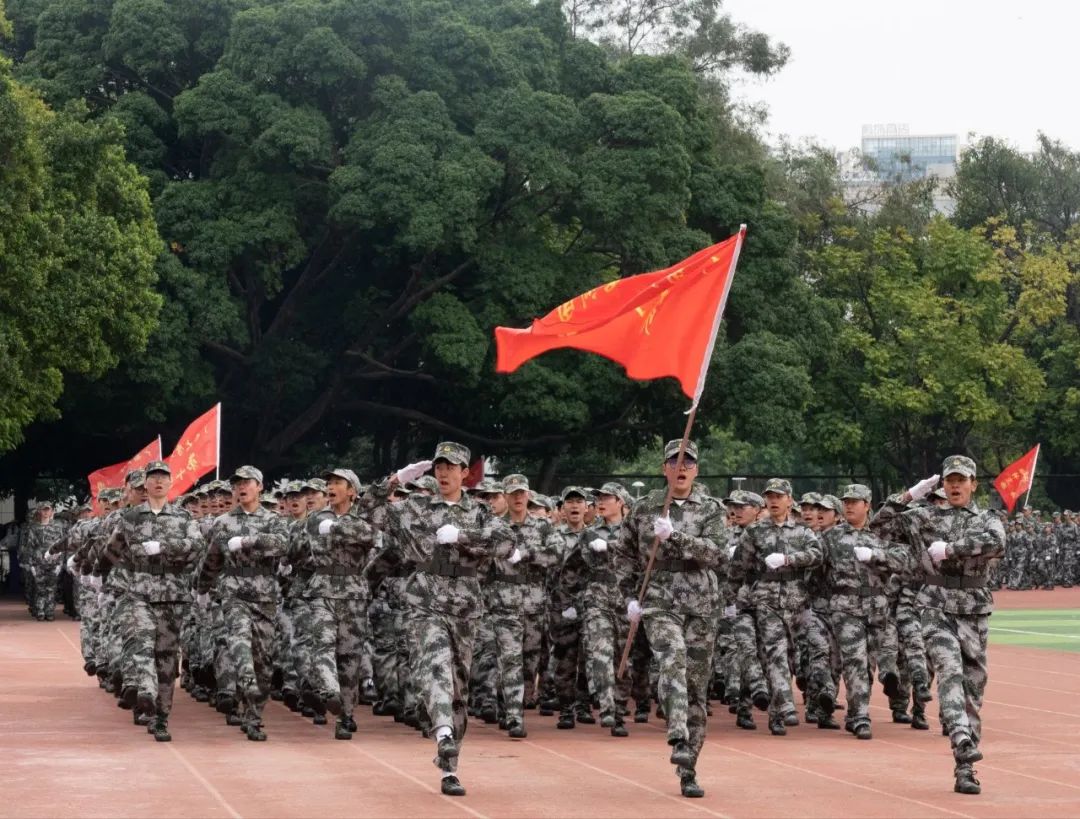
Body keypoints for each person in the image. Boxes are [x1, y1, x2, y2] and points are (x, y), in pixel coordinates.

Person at [368, 442, 515, 797]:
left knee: (458, 687)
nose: (444, 472)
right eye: (439, 466)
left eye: (451, 467)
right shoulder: (416, 507)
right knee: (435, 666)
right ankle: (444, 731)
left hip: (464, 606)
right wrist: (393, 481)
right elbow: (368, 512)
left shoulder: (478, 512)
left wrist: (462, 536)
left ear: (465, 473)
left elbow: (507, 543)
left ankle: (449, 766)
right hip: (425, 601)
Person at [871, 456, 1005, 795]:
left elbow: (996, 542)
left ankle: (965, 768)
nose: (955, 485)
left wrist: (952, 549)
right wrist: (909, 495)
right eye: (950, 480)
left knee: (974, 688)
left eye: (962, 480)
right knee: (949, 670)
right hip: (936, 606)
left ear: (974, 485)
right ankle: (960, 735)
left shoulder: (987, 518)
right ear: (942, 485)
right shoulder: (924, 516)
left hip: (973, 610)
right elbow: (879, 526)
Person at [620, 439, 726, 798]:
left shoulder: (711, 508)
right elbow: (624, 556)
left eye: (688, 463)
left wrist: (676, 537)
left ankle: (688, 766)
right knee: (672, 657)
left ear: (697, 470)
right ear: (664, 468)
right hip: (659, 599)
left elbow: (716, 553)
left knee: (696, 688)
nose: (681, 468)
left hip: (701, 605)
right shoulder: (644, 508)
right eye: (675, 461)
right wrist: (628, 597)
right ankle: (677, 732)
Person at [100, 460, 202, 741]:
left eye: (163, 477)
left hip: (172, 595)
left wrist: (165, 548)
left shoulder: (183, 517)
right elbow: (112, 550)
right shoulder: (131, 517)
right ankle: (145, 690)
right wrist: (99, 576)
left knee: (167, 659)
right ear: (145, 484)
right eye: (153, 477)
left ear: (170, 483)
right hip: (139, 592)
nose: (158, 482)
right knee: (141, 639)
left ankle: (160, 717)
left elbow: (197, 546)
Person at [198, 465, 289, 741]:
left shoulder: (273, 520)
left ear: (259, 486)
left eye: (247, 482)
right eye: (237, 483)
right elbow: (212, 559)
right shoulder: (224, 522)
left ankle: (253, 716)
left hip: (264, 595)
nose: (241, 487)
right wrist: (202, 588)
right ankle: (245, 678)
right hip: (234, 591)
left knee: (263, 659)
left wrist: (249, 541)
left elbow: (282, 544)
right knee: (238, 638)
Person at [729, 478, 822, 737]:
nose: (773, 501)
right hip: (765, 600)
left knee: (787, 656)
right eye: (769, 497)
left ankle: (774, 714)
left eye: (778, 496)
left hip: (795, 602)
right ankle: (786, 706)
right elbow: (738, 567)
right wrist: (730, 600)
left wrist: (789, 559)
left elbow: (818, 555)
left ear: (789, 500)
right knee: (775, 650)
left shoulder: (802, 532)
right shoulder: (755, 532)